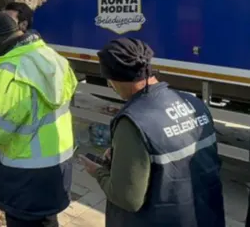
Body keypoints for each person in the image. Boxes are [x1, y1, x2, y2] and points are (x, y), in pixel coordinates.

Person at [79, 38, 225, 227]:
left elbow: (128, 199)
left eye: (110, 81)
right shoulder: (194, 103)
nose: (111, 87)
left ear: (117, 79)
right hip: (207, 216)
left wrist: (98, 172)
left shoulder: (133, 121)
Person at [0, 12, 77, 227]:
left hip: (25, 176)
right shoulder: (52, 57)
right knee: (47, 220)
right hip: (58, 165)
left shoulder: (10, 70)